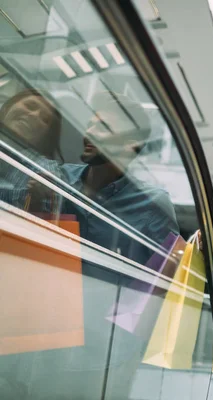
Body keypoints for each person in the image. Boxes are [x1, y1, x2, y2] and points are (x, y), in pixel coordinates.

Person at [23, 91, 179, 400]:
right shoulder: (57, 180)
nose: (90, 132)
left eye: (104, 127)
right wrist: (34, 201)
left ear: (131, 145)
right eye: (92, 123)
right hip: (42, 341)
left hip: (101, 356)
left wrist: (132, 350)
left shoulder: (151, 204)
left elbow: (166, 283)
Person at [0, 88, 64, 213]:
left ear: (46, 135)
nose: (34, 115)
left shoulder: (45, 170)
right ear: (8, 107)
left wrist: (35, 199)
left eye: (45, 119)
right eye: (30, 106)